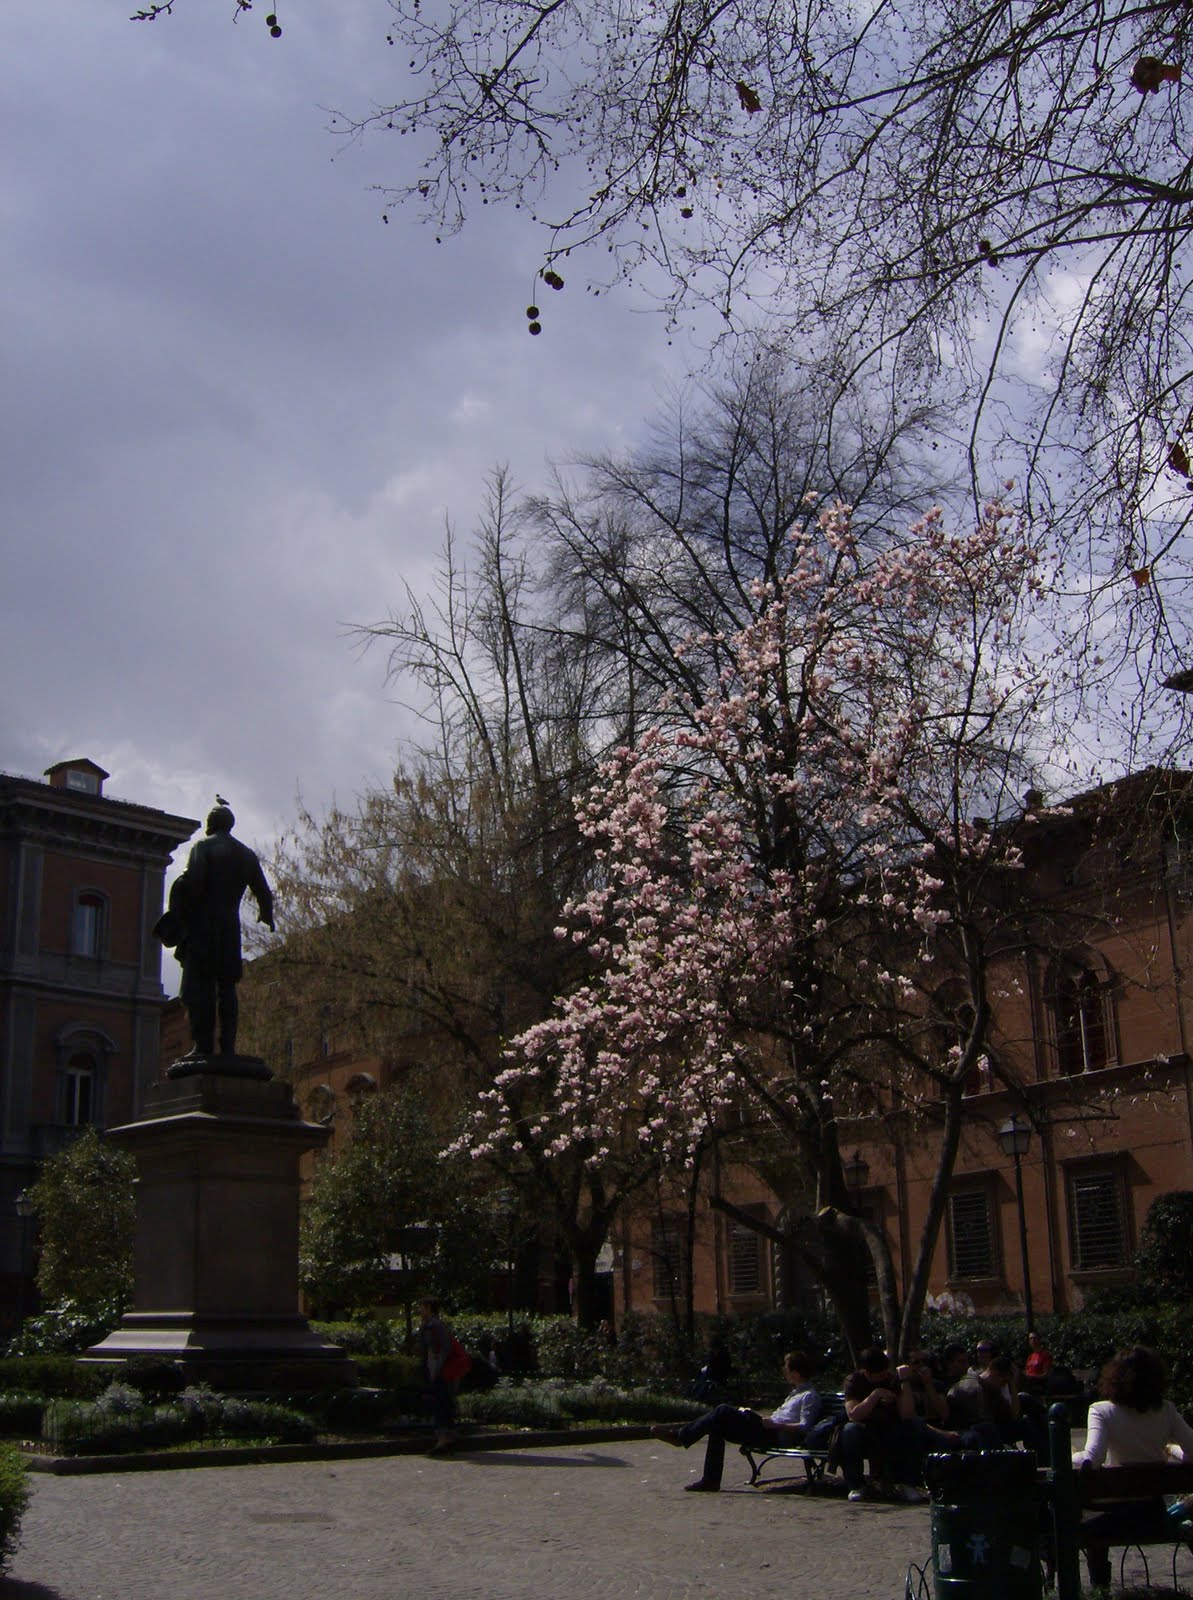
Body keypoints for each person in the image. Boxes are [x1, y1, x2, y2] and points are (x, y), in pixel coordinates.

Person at [155, 800, 274, 1057]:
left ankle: (204, 1046)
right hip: (230, 927)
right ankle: (228, 1047)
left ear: (212, 824)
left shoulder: (203, 847)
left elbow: (194, 883)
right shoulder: (246, 854)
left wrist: (179, 900)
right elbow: (264, 893)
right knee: (227, 988)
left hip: (203, 926)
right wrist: (267, 916)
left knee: (202, 987)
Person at [1074, 1346, 1193, 1589]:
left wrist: (1072, 1456)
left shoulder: (1101, 1410)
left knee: (1090, 1514)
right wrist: (1174, 1450)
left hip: (1111, 1518)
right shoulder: (1167, 1411)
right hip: (1151, 1514)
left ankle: (1100, 1586)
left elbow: (1092, 1459)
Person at [651, 1350, 822, 1492]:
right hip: (766, 1428)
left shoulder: (809, 1396)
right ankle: (710, 1481)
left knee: (723, 1410)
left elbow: (805, 1426)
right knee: (718, 1425)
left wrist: (774, 1424)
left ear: (795, 1373)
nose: (784, 1371)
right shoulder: (796, 1393)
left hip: (774, 1434)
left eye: (786, 1367)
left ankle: (681, 1437)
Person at [840, 1347, 929, 1503]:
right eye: (879, 1375)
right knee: (849, 1430)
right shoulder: (854, 1381)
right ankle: (856, 1485)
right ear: (867, 1372)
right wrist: (875, 1395)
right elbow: (853, 1414)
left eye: (885, 1372)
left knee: (915, 1425)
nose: (883, 1376)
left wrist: (905, 1382)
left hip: (891, 1430)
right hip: (865, 1432)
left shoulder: (893, 1380)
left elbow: (907, 1415)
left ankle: (908, 1484)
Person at [419, 1297, 460, 1453]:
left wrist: (435, 1370)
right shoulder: (434, 1325)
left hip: (439, 1372)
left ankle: (443, 1440)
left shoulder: (433, 1326)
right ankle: (448, 1437)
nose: (420, 1311)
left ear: (429, 1308)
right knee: (444, 1403)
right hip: (441, 1371)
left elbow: (439, 1350)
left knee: (440, 1404)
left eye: (422, 1307)